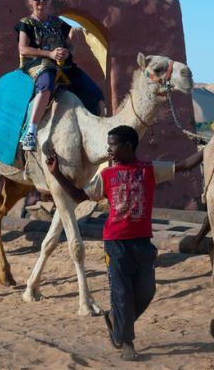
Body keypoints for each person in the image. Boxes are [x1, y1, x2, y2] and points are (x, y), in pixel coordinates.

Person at [44, 125, 203, 361]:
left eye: (113, 144)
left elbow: (184, 165)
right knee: (121, 294)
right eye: (108, 144)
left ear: (128, 146)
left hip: (142, 243)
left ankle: (115, 320)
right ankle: (126, 342)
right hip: (115, 243)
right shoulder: (106, 175)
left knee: (147, 291)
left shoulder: (149, 170)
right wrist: (56, 173)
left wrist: (211, 147)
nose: (108, 149)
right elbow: (79, 196)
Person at [16, 0, 106, 151]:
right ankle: (31, 131)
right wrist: (49, 54)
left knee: (95, 92)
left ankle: (100, 130)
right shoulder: (26, 23)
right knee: (46, 84)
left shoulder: (59, 23)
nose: (41, 1)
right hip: (37, 63)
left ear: (49, 0)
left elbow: (71, 45)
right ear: (30, 0)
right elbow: (23, 49)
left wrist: (66, 52)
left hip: (63, 65)